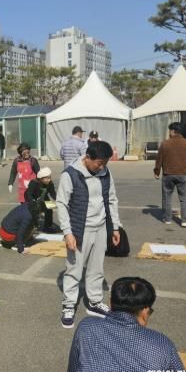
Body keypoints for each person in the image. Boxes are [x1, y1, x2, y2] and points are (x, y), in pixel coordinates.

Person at [57, 141, 122, 328]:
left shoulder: (105, 173)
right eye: (99, 163)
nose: (102, 167)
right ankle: (69, 304)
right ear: (87, 157)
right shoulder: (70, 174)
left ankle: (94, 302)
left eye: (105, 163)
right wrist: (68, 233)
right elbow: (61, 204)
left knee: (96, 268)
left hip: (100, 228)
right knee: (74, 268)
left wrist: (115, 227)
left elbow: (112, 199)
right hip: (79, 230)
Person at [153, 122, 186, 227]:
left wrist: (157, 172)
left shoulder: (165, 144)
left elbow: (159, 159)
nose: (169, 133)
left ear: (173, 131)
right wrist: (185, 164)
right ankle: (185, 220)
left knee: (167, 197)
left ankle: (167, 218)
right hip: (182, 173)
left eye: (170, 131)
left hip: (168, 174)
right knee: (184, 198)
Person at [24, 167, 58, 232]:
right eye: (47, 178)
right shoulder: (34, 183)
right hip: (32, 198)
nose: (49, 180)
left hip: (43, 196)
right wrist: (33, 202)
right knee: (34, 211)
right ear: (41, 178)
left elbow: (53, 193)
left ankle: (48, 226)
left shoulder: (50, 183)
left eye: (50, 177)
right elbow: (29, 194)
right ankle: (34, 226)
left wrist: (59, 200)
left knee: (50, 207)